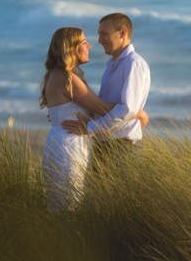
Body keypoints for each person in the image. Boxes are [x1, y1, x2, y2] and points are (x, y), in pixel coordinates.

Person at [39, 26, 148, 211]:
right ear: (70, 48)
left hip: (65, 139)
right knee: (69, 204)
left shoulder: (62, 75)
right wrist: (137, 113)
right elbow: (101, 108)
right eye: (83, 42)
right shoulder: (67, 78)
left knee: (65, 202)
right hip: (69, 145)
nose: (89, 45)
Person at [62, 13, 151, 167]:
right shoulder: (111, 65)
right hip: (105, 144)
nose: (99, 40)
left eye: (104, 34)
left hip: (122, 148)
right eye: (99, 34)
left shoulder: (133, 63)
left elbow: (127, 109)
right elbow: (104, 106)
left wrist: (89, 128)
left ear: (122, 33)